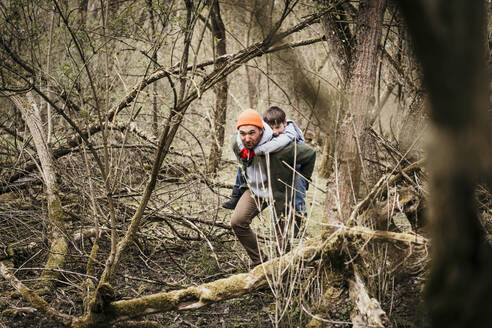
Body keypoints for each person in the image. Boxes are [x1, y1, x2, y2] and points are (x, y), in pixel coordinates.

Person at [230, 109, 316, 266]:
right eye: (243, 133)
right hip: (256, 191)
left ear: (262, 130)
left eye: (252, 133)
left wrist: (301, 180)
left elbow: (310, 154)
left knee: (280, 239)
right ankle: (261, 264)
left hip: (280, 191)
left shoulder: (281, 147)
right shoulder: (237, 145)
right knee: (237, 222)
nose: (247, 138)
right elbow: (243, 166)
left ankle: (286, 271)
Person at [223, 106, 307, 237]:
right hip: (263, 180)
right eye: (270, 128)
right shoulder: (261, 135)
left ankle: (299, 220)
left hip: (292, 172)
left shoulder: (289, 134)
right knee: (243, 164)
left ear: (284, 124)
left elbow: (295, 149)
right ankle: (235, 195)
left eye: (278, 128)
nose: (275, 132)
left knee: (297, 196)